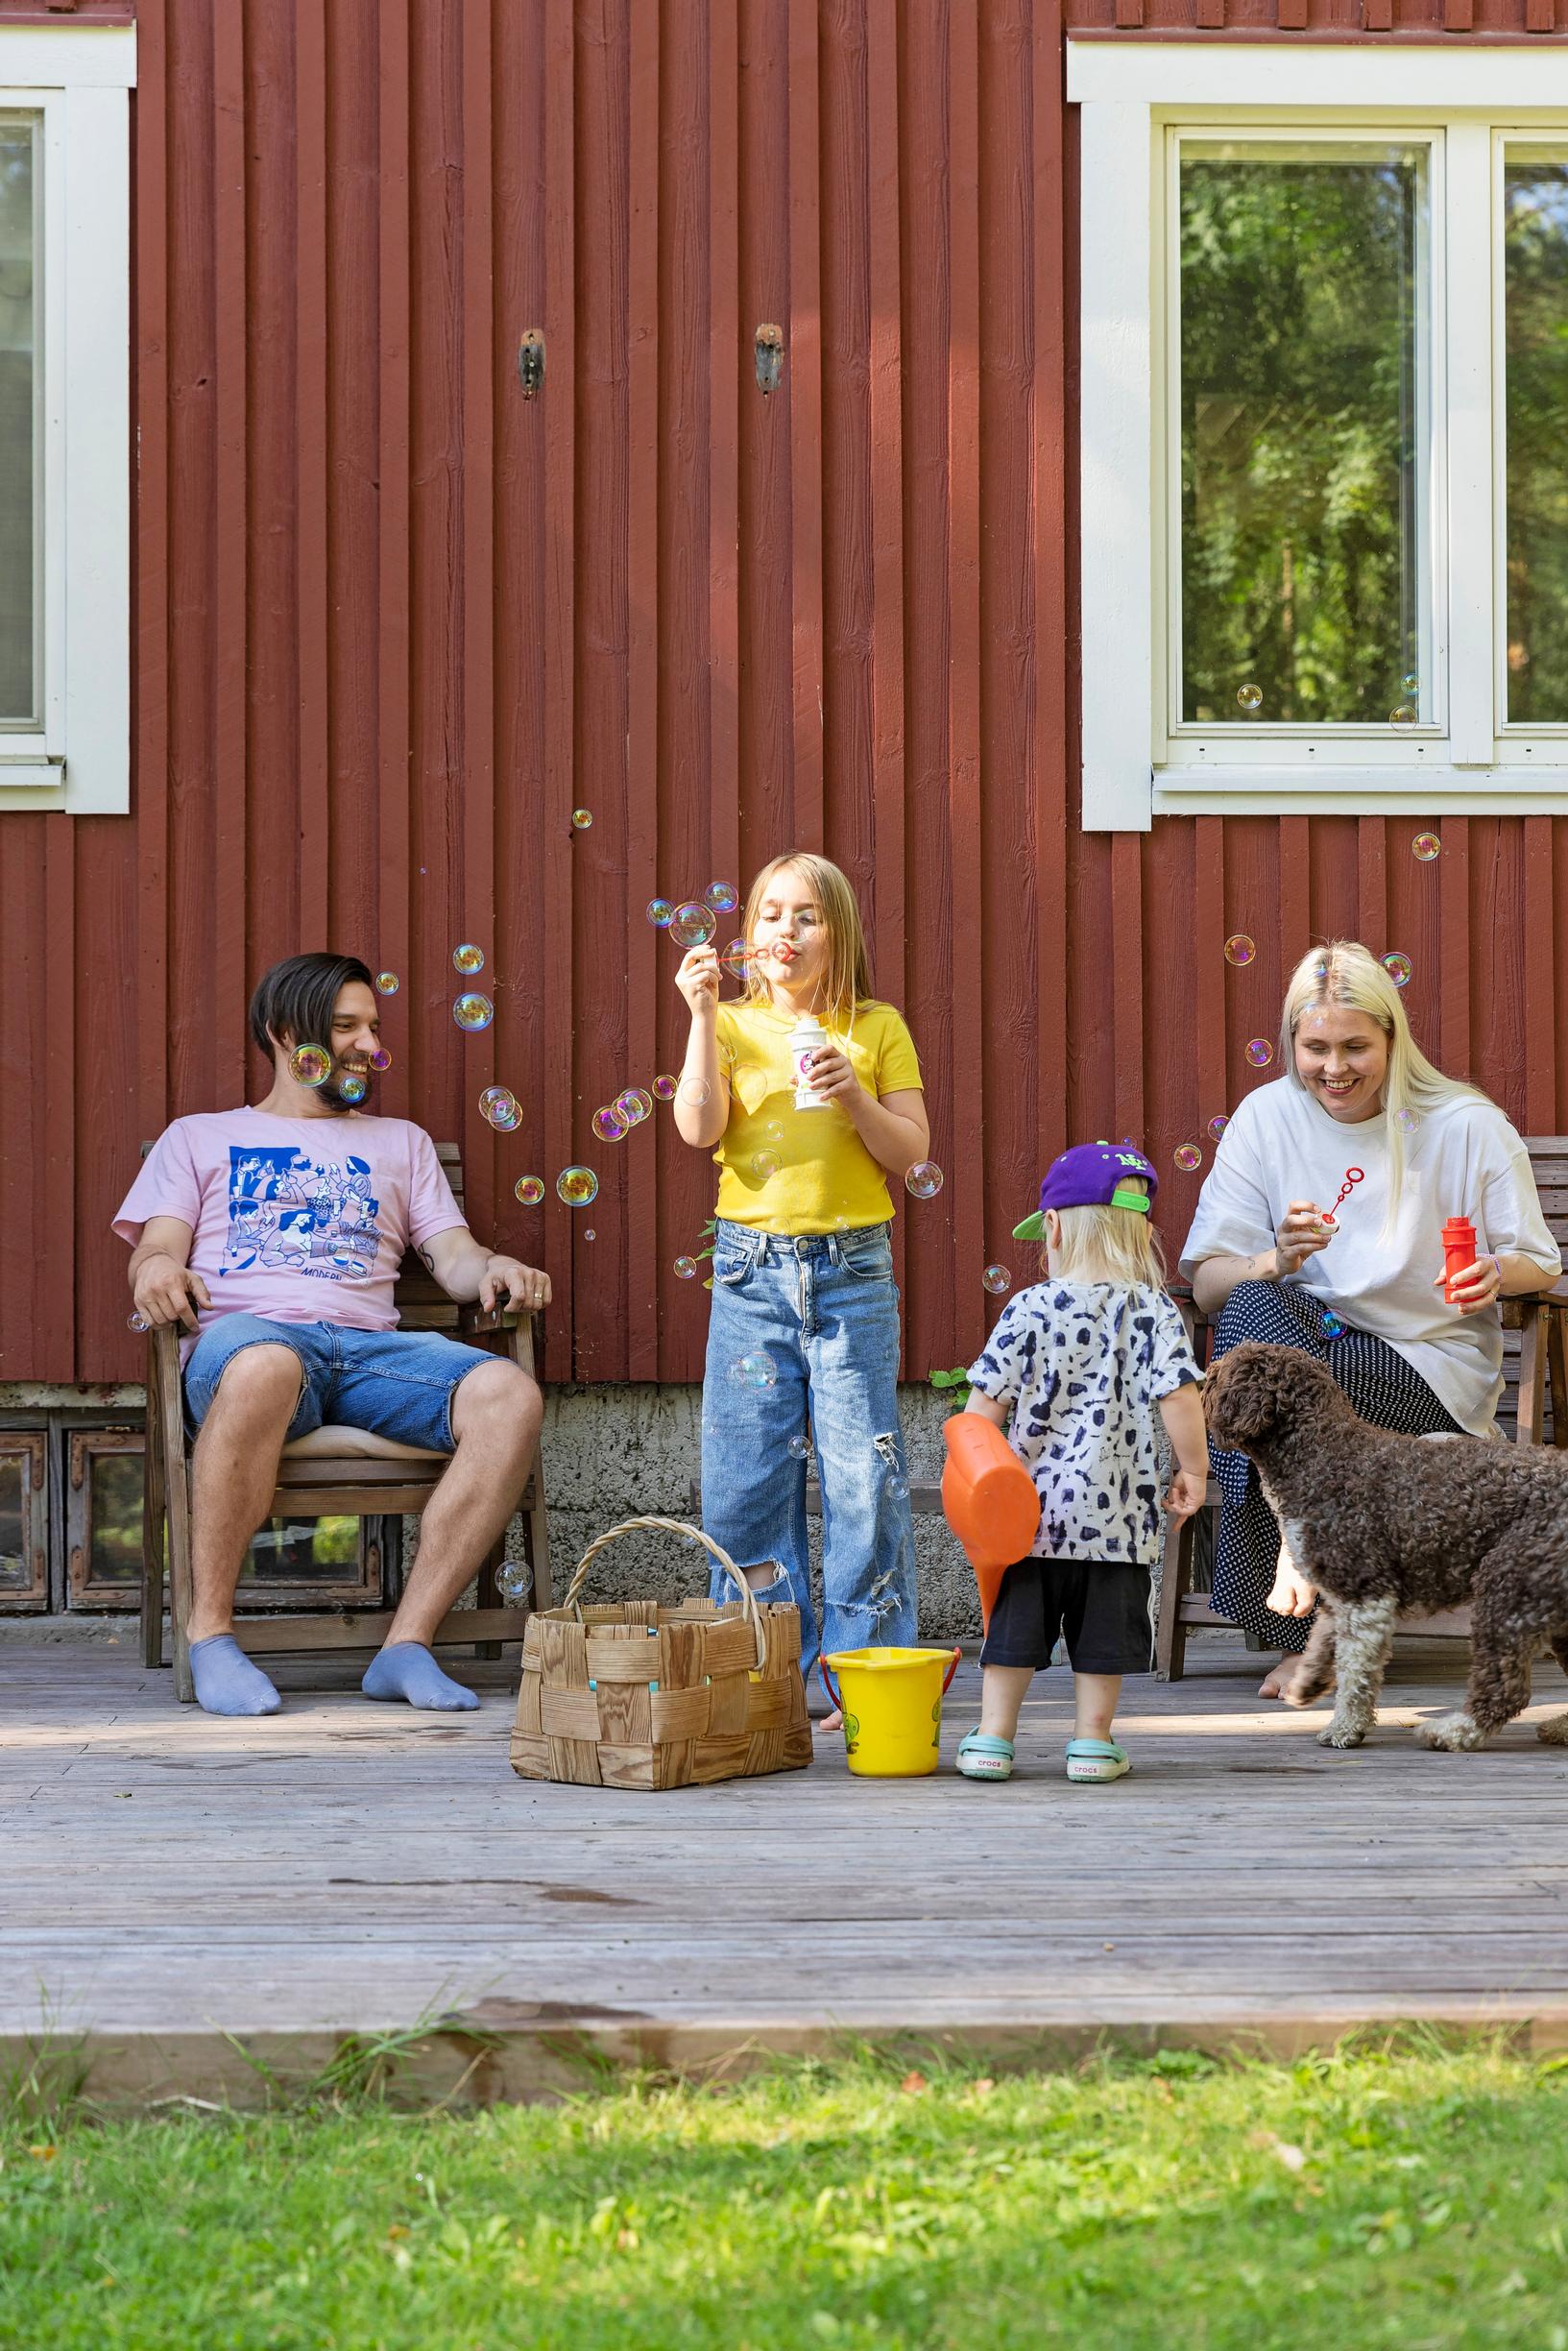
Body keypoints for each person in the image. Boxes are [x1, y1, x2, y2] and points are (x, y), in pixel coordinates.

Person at [114, 952, 550, 1719]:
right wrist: (153, 1270)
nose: (365, 1043)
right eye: (345, 1026)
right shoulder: (200, 1138)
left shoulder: (400, 1143)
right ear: (287, 1033)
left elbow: (452, 1259)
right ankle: (211, 1637)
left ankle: (405, 1645)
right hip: (248, 1342)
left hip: (371, 1349)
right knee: (266, 1366)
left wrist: (493, 1266)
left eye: (371, 1027)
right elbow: (158, 1246)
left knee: (508, 1394)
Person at [1181, 939, 1561, 1699]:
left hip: (1421, 1368)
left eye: (1356, 1046)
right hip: (1305, 1366)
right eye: (1314, 1046)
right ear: (1291, 1041)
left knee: (1261, 1364)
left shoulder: (1461, 1123)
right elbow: (1208, 1282)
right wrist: (1273, 1260)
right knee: (1254, 1310)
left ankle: (1301, 1577)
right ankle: (1301, 1559)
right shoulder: (1266, 1118)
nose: (1334, 1067)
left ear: (1393, 1037)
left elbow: (1538, 1261)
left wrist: (1495, 1272)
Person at [672, 853, 929, 1718]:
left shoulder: (876, 1026)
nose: (787, 930)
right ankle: (761, 1666)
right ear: (746, 933)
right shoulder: (734, 1024)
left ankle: (861, 1672)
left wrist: (855, 1095)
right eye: (771, 913)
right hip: (749, 1272)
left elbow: (909, 1152)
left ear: (839, 935)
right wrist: (702, 1017)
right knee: (746, 1476)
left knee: (864, 1476)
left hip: (851, 1271)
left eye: (807, 915)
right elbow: (697, 1127)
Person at [953, 1144, 1207, 1785]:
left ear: (1055, 1225)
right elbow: (1179, 1396)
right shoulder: (1153, 1311)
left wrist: (972, 1484)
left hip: (1025, 1519)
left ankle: (992, 1738)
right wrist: (1194, 1471)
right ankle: (1092, 1744)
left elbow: (978, 1414)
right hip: (1116, 1524)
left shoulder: (1028, 1307)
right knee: (1103, 1641)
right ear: (1142, 1231)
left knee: (1010, 1638)